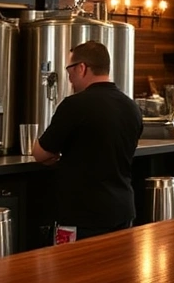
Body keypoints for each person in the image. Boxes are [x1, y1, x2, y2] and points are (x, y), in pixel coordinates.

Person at [33, 41, 143, 241]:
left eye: (70, 70)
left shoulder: (74, 105)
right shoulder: (131, 107)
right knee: (115, 272)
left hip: (81, 216)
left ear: (82, 68)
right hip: (123, 212)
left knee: (71, 271)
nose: (70, 79)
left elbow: (40, 153)